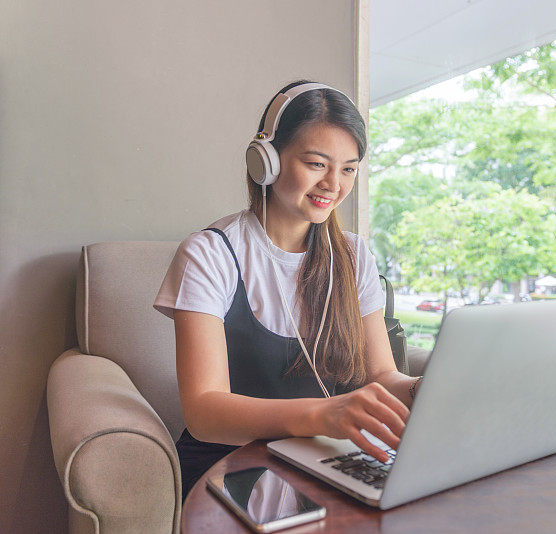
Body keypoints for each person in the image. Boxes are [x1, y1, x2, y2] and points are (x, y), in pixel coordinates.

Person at [153, 80, 422, 501]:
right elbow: (204, 411)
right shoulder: (210, 254)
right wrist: (324, 414)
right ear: (267, 161)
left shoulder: (352, 256)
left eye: (348, 169)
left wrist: (428, 388)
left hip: (322, 466)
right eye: (317, 164)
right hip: (229, 473)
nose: (334, 184)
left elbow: (381, 376)